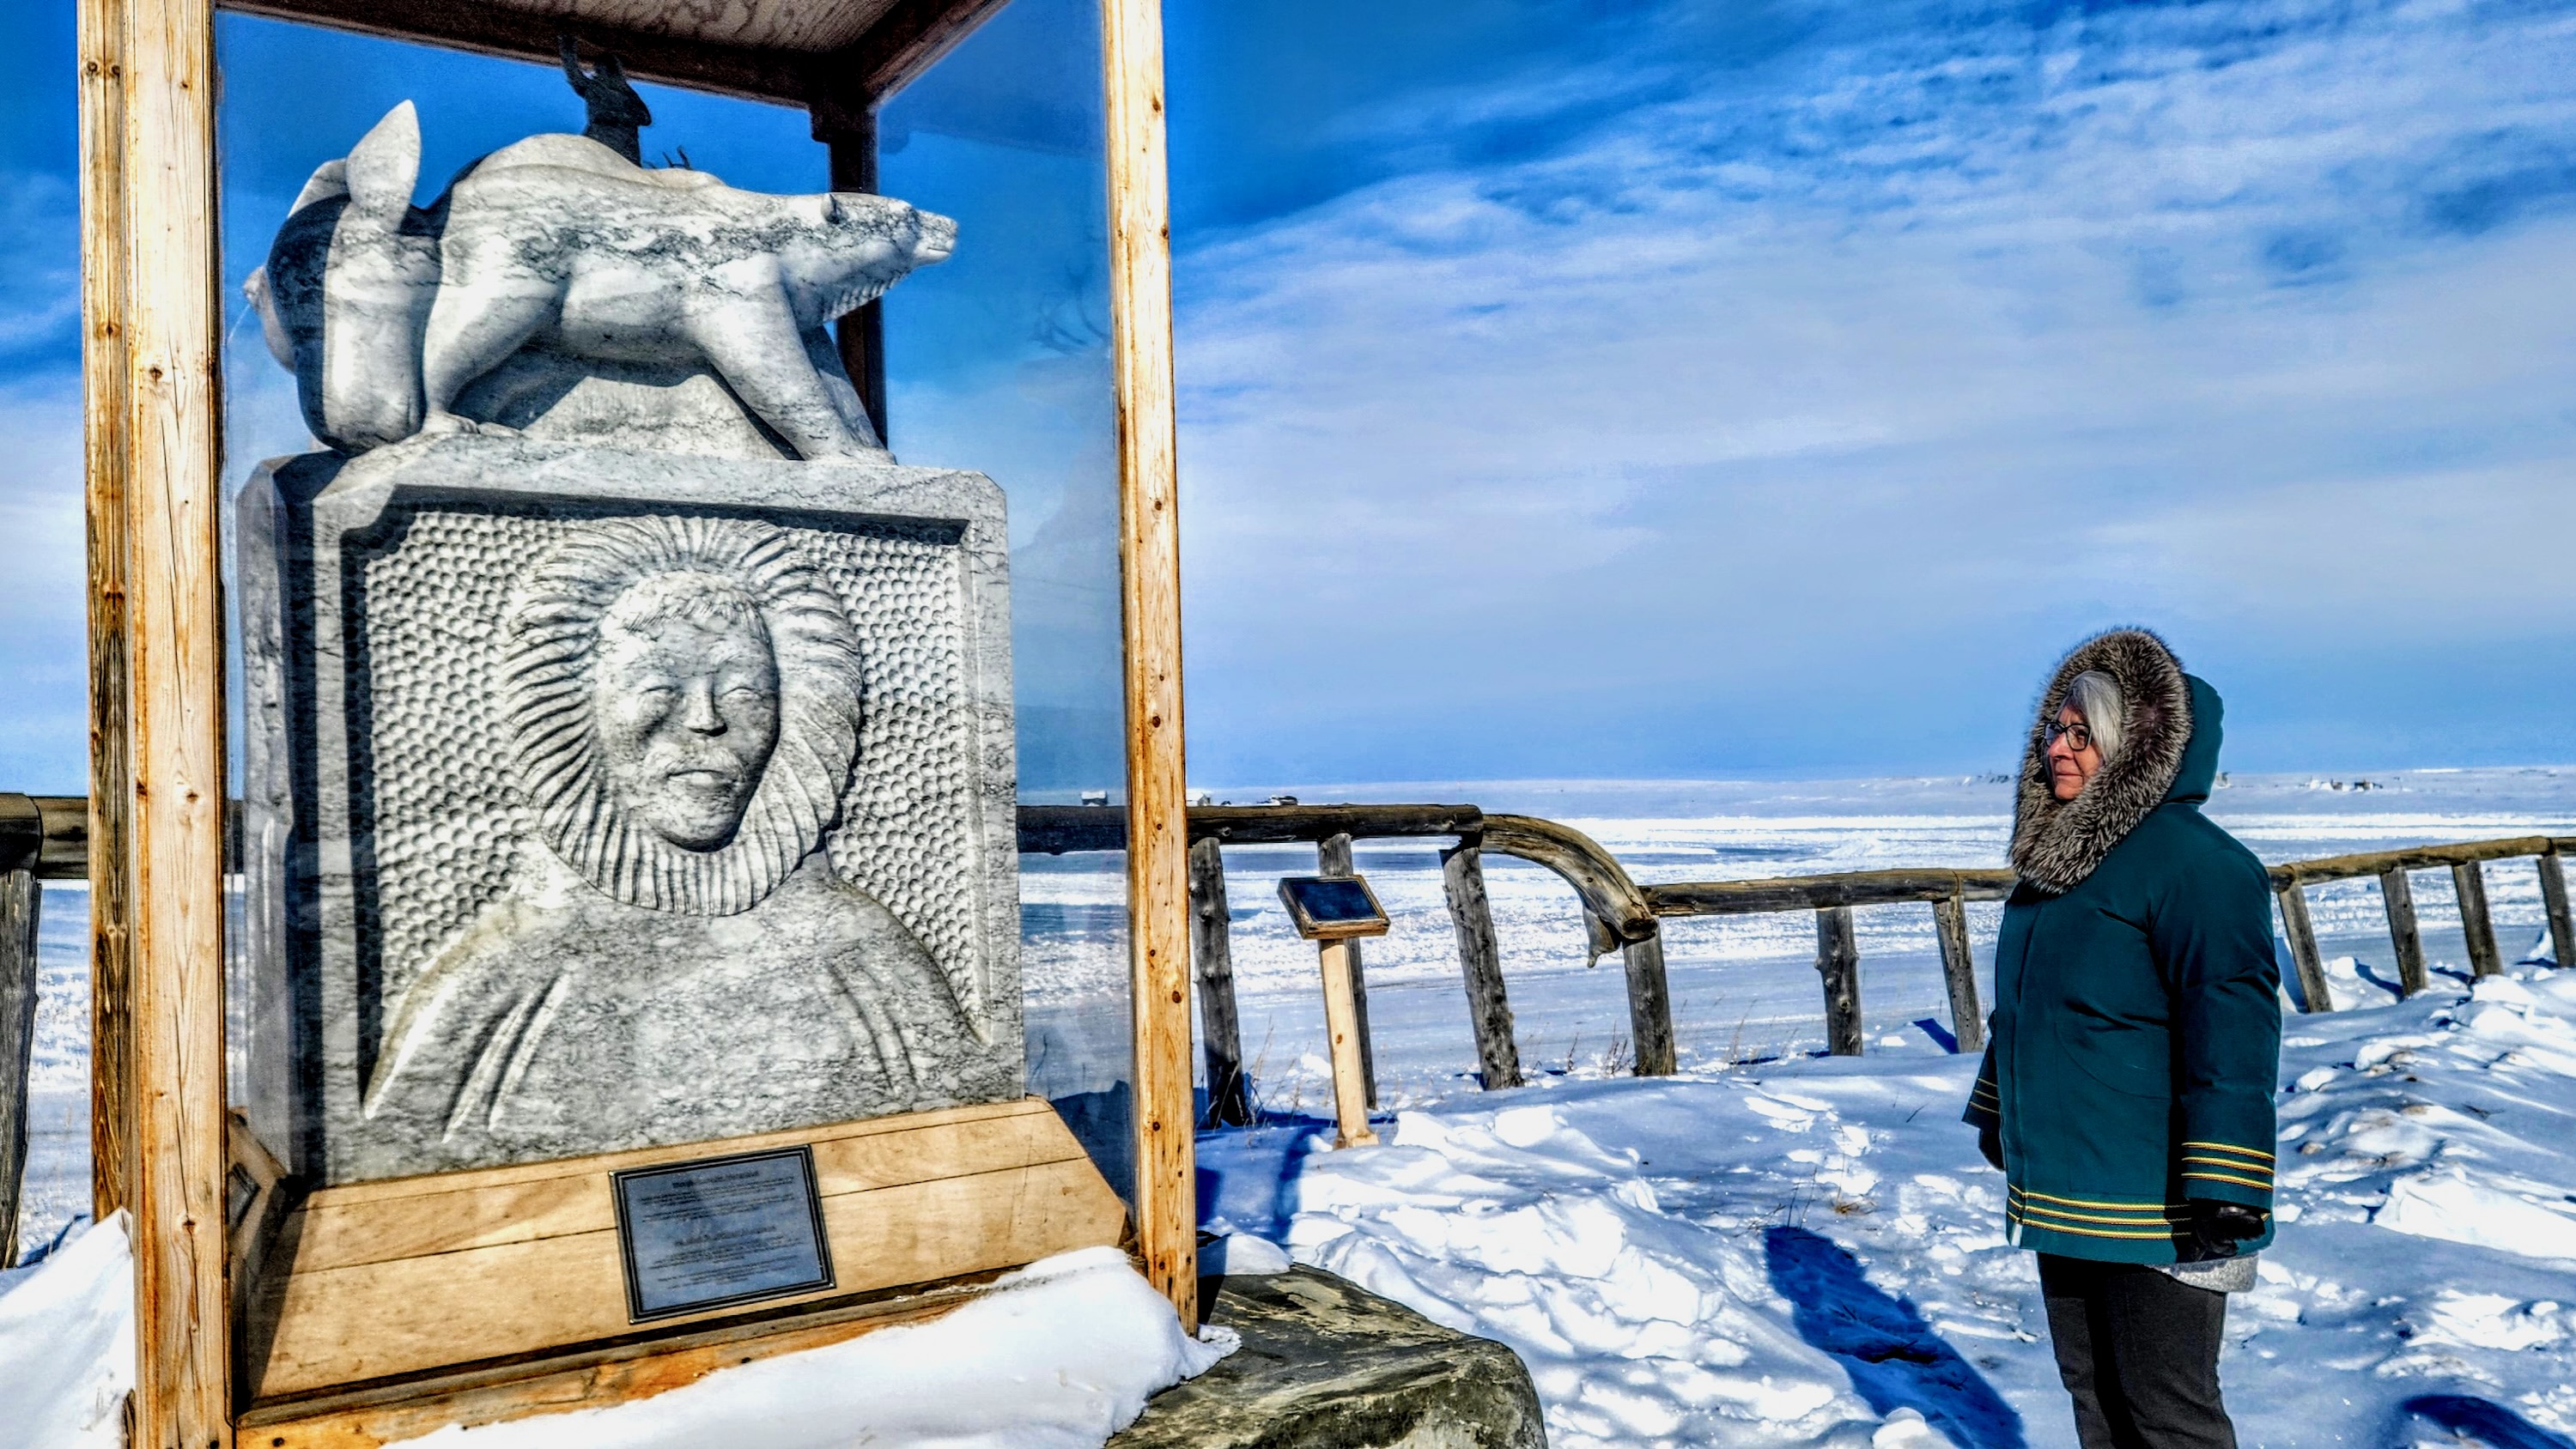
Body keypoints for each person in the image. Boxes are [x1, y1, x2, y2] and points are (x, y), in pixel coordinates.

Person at [1965, 628, 2280, 1449]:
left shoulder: (2198, 866)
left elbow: (2233, 1024)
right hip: (2067, 1183)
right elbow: (2027, 1011)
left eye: (2082, 734)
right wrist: (2001, 1108)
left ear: (2137, 746)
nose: (2056, 751)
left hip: (2160, 1198)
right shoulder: (2057, 864)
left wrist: (2228, 1178)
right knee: (2094, 1398)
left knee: (2168, 1413)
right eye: (2053, 730)